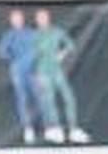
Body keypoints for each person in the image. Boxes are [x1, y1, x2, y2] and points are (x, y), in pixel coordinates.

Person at [30, 8, 90, 144]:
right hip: (43, 72)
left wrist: (61, 55)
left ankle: (73, 129)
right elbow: (32, 56)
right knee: (49, 100)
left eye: (44, 17)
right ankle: (55, 129)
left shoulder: (56, 32)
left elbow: (70, 45)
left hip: (56, 71)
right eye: (39, 18)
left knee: (68, 97)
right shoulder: (35, 36)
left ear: (48, 18)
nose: (42, 20)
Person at [0, 8, 44, 144]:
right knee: (22, 99)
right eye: (14, 19)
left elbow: (41, 49)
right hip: (18, 71)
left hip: (33, 71)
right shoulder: (9, 35)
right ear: (11, 21)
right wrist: (14, 59)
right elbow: (1, 52)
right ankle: (28, 129)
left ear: (23, 19)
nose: (17, 21)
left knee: (39, 98)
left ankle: (42, 127)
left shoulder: (32, 33)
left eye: (19, 18)